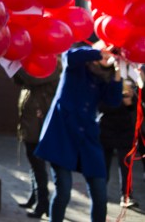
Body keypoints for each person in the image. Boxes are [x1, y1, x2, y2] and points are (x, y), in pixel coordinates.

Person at [35, 43, 123, 222]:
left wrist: (118, 70)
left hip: (88, 139)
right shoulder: (76, 68)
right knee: (64, 192)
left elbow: (113, 100)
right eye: (107, 53)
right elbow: (70, 55)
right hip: (62, 136)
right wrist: (99, 52)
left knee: (100, 193)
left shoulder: (104, 79)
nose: (108, 57)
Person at [13, 63, 60, 218]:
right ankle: (35, 197)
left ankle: (42, 203)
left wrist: (14, 64)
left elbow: (31, 79)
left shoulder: (53, 65)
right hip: (31, 122)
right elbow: (20, 79)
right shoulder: (37, 63)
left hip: (38, 124)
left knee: (38, 166)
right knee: (33, 164)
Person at [100, 80, 138, 209]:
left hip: (124, 128)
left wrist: (131, 100)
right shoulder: (103, 77)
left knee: (126, 163)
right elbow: (101, 105)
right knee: (104, 164)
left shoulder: (129, 76)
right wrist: (121, 101)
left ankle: (127, 195)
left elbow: (135, 105)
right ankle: (100, 193)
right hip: (106, 128)